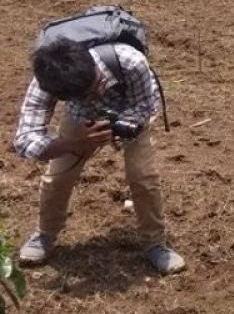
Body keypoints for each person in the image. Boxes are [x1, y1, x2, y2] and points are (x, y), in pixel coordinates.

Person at [12, 36, 185, 274]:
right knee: (58, 177)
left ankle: (155, 243)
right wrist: (74, 143)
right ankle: (45, 234)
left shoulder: (130, 61)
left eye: (97, 84)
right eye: (85, 94)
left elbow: (146, 104)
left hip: (129, 115)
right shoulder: (48, 81)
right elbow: (25, 141)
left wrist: (121, 125)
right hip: (79, 122)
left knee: (143, 176)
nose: (97, 92)